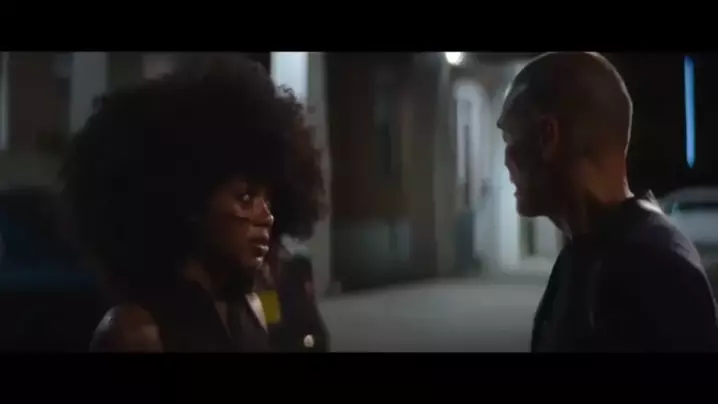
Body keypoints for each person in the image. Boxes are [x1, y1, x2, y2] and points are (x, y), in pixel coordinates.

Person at [61, 55, 326, 352]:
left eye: (269, 199)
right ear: (190, 203)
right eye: (246, 198)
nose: (267, 216)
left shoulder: (244, 311)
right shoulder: (137, 333)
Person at [497, 52, 718, 352]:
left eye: (510, 138)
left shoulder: (657, 273)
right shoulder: (586, 252)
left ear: (548, 136)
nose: (506, 160)